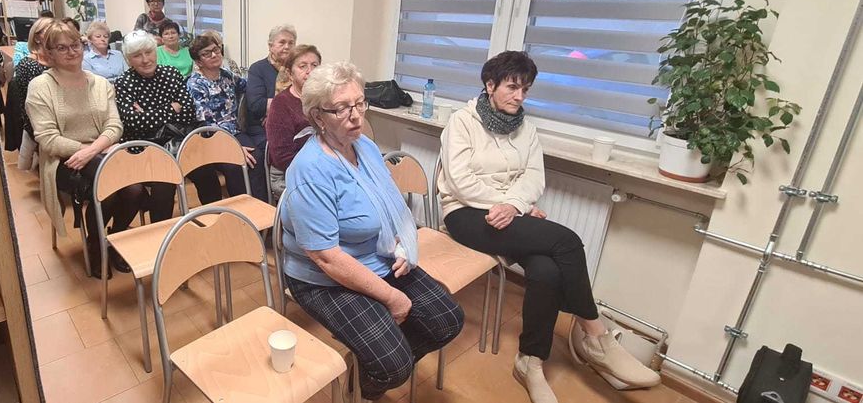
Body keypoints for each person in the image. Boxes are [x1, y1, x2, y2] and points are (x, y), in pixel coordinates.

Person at [438, 51, 660, 403]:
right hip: (464, 213)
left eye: (525, 89)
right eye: (512, 87)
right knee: (567, 241)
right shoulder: (462, 122)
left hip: (508, 211)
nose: (519, 96)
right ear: (490, 85)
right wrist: (508, 204)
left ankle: (531, 361)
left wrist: (514, 205)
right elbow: (460, 180)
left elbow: (534, 178)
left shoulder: (527, 129)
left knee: (546, 270)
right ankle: (596, 336)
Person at [281, 61, 464, 401]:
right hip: (324, 278)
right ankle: (372, 385)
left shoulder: (363, 146)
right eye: (341, 108)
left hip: (377, 257)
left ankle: (373, 365)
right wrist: (393, 298)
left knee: (447, 320)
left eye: (359, 103)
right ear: (318, 117)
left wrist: (400, 242)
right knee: (393, 364)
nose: (356, 116)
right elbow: (326, 257)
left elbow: (383, 204)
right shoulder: (309, 170)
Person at [25, 21, 123, 279]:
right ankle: (96, 243)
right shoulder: (39, 87)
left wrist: (94, 150)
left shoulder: (101, 83)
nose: (71, 51)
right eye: (62, 47)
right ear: (49, 54)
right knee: (110, 181)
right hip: (63, 161)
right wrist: (89, 151)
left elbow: (114, 125)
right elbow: (48, 139)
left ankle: (111, 239)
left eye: (75, 45)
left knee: (132, 187)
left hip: (98, 154)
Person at [113, 30, 196, 229]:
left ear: (156, 51)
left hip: (173, 144)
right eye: (137, 55)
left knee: (205, 169)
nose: (145, 59)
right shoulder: (124, 82)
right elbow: (133, 123)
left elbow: (189, 113)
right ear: (128, 59)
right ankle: (160, 236)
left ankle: (216, 225)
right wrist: (171, 107)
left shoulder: (170, 73)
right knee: (164, 179)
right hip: (140, 150)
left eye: (148, 52)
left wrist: (148, 114)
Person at [185, 35, 253, 204]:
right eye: (207, 53)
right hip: (211, 138)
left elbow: (249, 86)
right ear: (198, 61)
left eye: (216, 50)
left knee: (255, 158)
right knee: (234, 165)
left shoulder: (227, 76)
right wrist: (233, 146)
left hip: (235, 131)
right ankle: (238, 210)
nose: (214, 55)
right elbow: (206, 123)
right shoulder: (195, 83)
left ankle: (257, 207)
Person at [241, 24, 296, 198]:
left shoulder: (297, 69)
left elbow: (306, 100)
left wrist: (277, 110)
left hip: (294, 125)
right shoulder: (258, 69)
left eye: (291, 43)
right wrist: (283, 110)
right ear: (271, 46)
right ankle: (269, 203)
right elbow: (256, 105)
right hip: (261, 127)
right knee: (279, 149)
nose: (287, 46)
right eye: (282, 42)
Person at [265, 44, 320, 195]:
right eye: (303, 66)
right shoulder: (281, 104)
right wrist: (318, 170)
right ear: (290, 74)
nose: (310, 71)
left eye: (315, 65)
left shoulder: (324, 100)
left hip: (320, 168)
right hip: (287, 173)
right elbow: (281, 157)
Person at [7, 17, 56, 167]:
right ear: (37, 37)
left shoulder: (58, 59)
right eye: (48, 29)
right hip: (38, 118)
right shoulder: (28, 64)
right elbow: (31, 104)